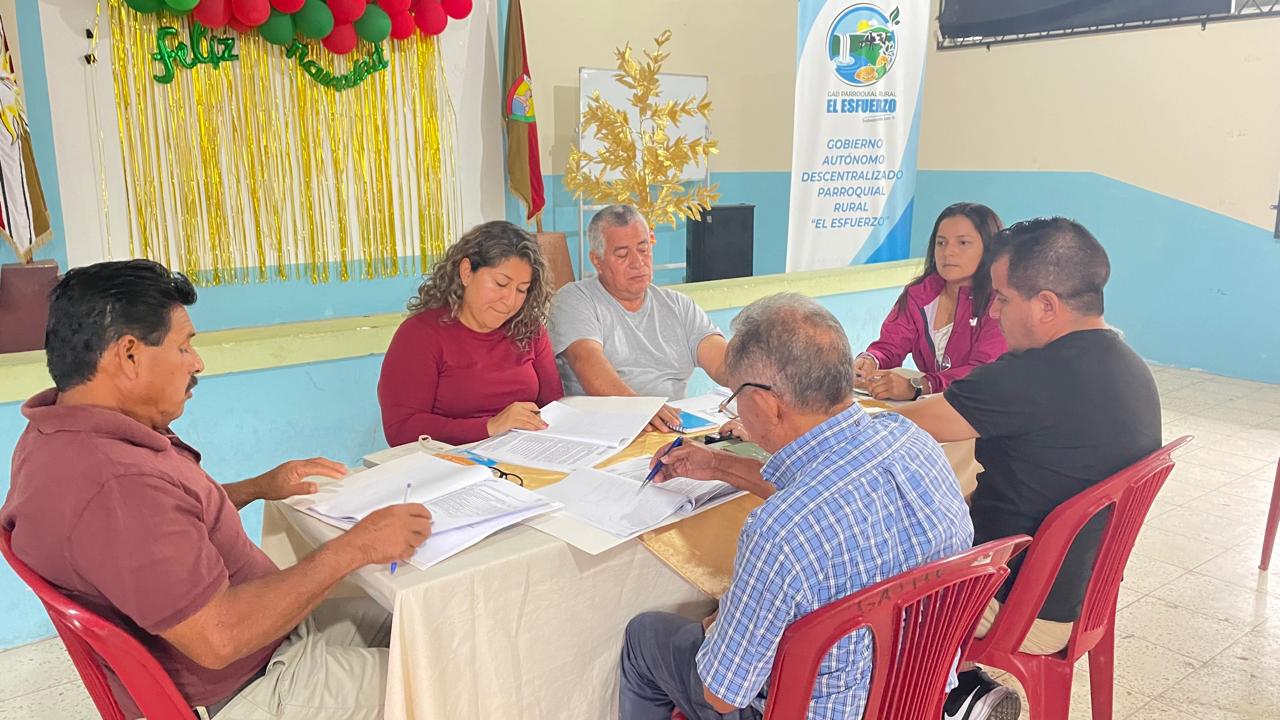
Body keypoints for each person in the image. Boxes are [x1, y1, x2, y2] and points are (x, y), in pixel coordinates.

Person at [1, 260, 432, 720]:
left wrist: (259, 486)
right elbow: (220, 638)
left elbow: (163, 524)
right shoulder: (117, 484)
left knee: (432, 624)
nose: (197, 362)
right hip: (255, 682)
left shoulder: (57, 433)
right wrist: (356, 547)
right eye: (183, 346)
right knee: (447, 673)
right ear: (128, 356)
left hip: (271, 638)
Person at [618, 293, 974, 720]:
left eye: (735, 398)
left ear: (765, 404)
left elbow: (721, 695)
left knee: (645, 636)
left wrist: (723, 626)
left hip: (808, 710)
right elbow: (818, 485)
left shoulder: (778, 532)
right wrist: (716, 464)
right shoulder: (912, 441)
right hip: (916, 696)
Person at [892, 218, 1161, 720]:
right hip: (1080, 590)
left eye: (1001, 298)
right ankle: (958, 690)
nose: (993, 313)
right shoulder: (1129, 365)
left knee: (849, 564)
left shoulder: (1030, 375)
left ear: (1046, 305)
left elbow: (902, 428)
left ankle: (941, 697)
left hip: (1017, 599)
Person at [378, 221, 563, 446]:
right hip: (448, 460)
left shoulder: (528, 328)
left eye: (521, 289)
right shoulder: (420, 334)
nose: (510, 300)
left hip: (523, 452)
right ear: (466, 272)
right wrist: (489, 426)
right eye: (500, 284)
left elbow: (554, 406)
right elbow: (401, 428)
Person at [549, 205, 729, 432]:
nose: (637, 262)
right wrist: (642, 408)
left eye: (644, 249)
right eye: (622, 254)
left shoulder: (679, 306)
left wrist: (758, 383)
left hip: (672, 427)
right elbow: (587, 364)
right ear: (597, 260)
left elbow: (723, 363)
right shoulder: (575, 300)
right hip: (606, 429)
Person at [856, 202, 1008, 401]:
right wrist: (870, 361)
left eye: (963, 243)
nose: (948, 252)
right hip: (933, 405)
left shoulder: (1001, 302)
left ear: (989, 249)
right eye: (941, 243)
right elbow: (890, 346)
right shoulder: (919, 294)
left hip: (983, 408)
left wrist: (922, 385)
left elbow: (983, 374)